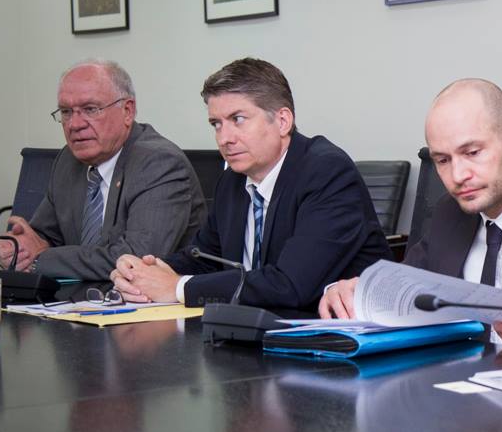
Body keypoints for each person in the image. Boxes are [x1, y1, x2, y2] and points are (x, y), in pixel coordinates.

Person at [319, 79, 502, 351]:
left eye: (472, 153)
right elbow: (405, 287)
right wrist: (350, 291)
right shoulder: (450, 212)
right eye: (443, 160)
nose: (458, 176)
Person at [111, 58, 390, 310]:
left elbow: (290, 284)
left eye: (238, 119)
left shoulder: (327, 172)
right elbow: (206, 258)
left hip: (334, 337)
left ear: (282, 121)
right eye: (216, 124)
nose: (224, 138)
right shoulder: (232, 180)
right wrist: (145, 272)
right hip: (252, 330)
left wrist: (177, 287)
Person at [0, 59, 205, 279]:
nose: (75, 124)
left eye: (90, 109)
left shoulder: (159, 163)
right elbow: (41, 237)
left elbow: (135, 260)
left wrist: (41, 258)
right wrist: (18, 249)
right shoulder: (68, 160)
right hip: (80, 295)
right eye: (66, 111)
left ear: (127, 111)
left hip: (146, 298)